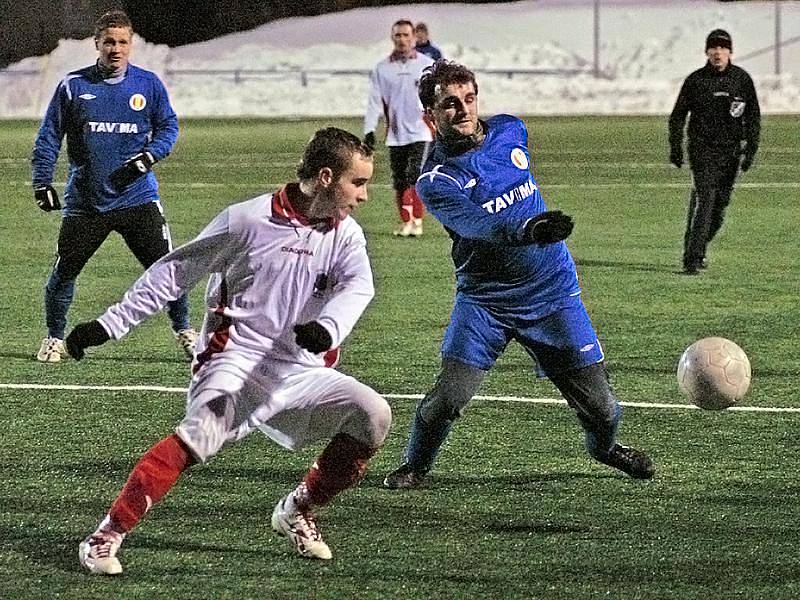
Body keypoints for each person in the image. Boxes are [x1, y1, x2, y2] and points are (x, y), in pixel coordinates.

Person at [67, 127, 391, 574]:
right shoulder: (247, 220)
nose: (365, 196)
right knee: (197, 436)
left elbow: (359, 285)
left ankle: (297, 509)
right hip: (234, 360)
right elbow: (174, 273)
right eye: (359, 183)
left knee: (373, 414)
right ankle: (104, 536)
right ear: (325, 177)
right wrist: (109, 324)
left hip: (298, 368)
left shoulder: (345, 234)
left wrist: (328, 328)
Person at [383, 60, 655, 490]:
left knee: (602, 409)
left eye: (469, 99)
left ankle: (604, 449)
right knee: (449, 397)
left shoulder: (511, 129)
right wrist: (528, 228)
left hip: (552, 294)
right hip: (486, 303)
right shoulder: (436, 181)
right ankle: (415, 465)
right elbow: (479, 225)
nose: (464, 110)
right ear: (429, 115)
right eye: (450, 104)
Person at [31, 9, 197, 363]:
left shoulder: (148, 85)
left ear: (131, 45)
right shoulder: (73, 86)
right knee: (64, 272)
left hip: (138, 199)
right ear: (97, 44)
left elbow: (169, 127)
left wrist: (147, 158)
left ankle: (185, 330)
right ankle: (54, 337)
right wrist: (41, 180)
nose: (116, 49)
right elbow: (49, 137)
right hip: (87, 203)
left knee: (168, 269)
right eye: (109, 42)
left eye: (122, 42)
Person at [668, 29, 761, 275]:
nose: (718, 53)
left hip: (730, 153)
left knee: (719, 209)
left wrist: (751, 148)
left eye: (722, 48)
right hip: (702, 150)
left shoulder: (741, 80)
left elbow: (753, 117)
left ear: (730, 52)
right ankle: (693, 259)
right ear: (707, 52)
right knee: (706, 201)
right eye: (713, 48)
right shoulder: (696, 81)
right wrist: (675, 147)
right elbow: (677, 116)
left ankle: (697, 246)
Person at [364, 19, 434, 237]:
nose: (402, 39)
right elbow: (375, 101)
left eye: (406, 35)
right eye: (398, 35)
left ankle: (418, 220)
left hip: (421, 131)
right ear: (392, 38)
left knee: (415, 174)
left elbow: (435, 97)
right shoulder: (382, 68)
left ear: (414, 37)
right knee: (399, 180)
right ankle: (406, 222)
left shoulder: (425, 64)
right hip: (396, 134)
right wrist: (369, 130)